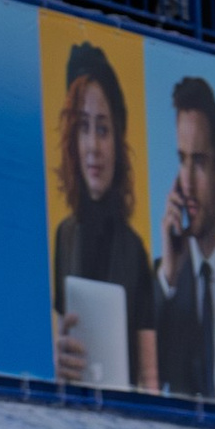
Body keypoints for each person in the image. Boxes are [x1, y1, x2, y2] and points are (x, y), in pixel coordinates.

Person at [49, 44, 159, 394]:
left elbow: (150, 376)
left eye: (103, 129)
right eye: (83, 128)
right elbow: (56, 331)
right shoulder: (64, 236)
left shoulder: (134, 250)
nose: (93, 146)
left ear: (118, 140)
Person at [152, 74, 215, 402]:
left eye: (199, 162)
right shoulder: (164, 278)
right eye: (182, 160)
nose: (188, 183)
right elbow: (142, 373)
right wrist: (168, 274)